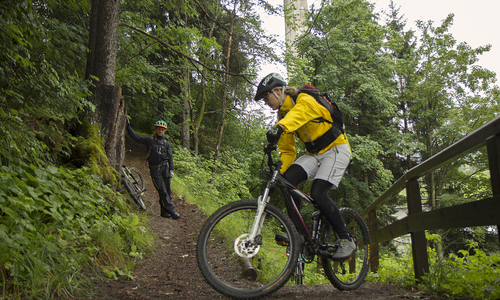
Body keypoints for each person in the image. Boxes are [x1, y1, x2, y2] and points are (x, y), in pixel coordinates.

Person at [254, 73, 355, 261]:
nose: (265, 102)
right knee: (287, 181)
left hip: (336, 149)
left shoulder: (304, 99)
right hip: (314, 154)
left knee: (318, 192)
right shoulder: (284, 115)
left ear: (277, 91)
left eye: (266, 97)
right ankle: (297, 234)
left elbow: (299, 114)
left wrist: (280, 127)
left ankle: (346, 239)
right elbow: (288, 151)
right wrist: (278, 174)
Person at [126, 119, 179, 219]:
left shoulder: (166, 144)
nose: (160, 131)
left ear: (164, 131)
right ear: (155, 129)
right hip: (155, 169)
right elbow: (136, 137)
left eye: (162, 129)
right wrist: (128, 127)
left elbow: (170, 157)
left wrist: (171, 170)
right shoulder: (149, 141)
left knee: (167, 191)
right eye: (159, 129)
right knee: (162, 190)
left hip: (165, 168)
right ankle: (172, 211)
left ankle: (164, 212)